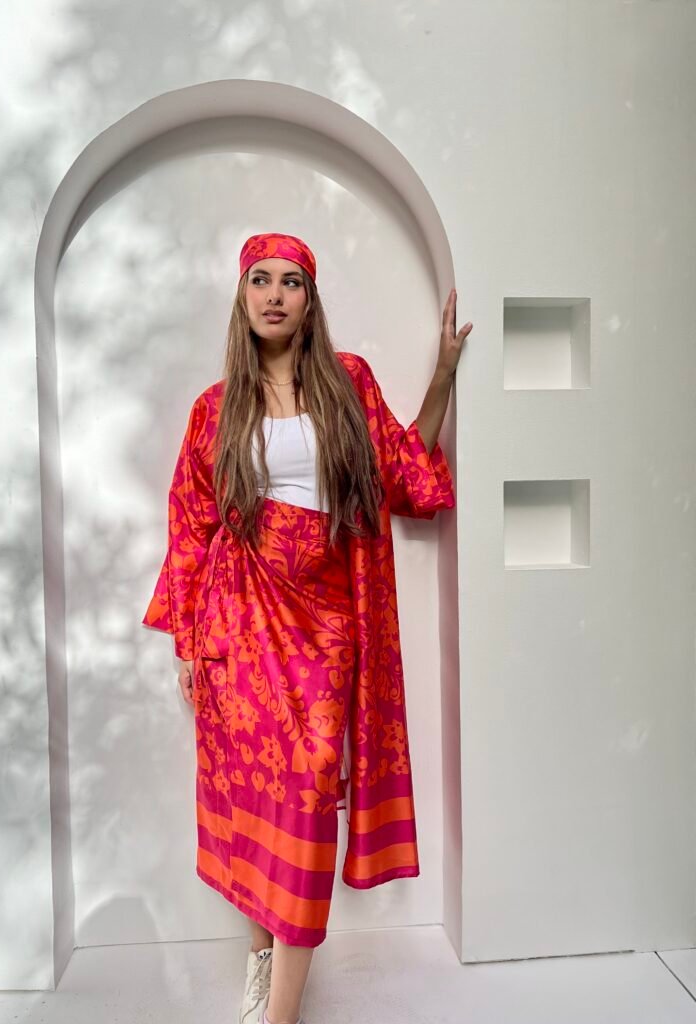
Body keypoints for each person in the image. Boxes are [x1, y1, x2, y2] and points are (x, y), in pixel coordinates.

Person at [141, 232, 471, 1024]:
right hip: (239, 626)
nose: (274, 295)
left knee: (308, 798)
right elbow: (190, 526)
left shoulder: (347, 383)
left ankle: (276, 1014)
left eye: (290, 282)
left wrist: (443, 376)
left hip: (325, 626)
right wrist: (189, 644)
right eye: (260, 280)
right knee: (261, 803)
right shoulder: (214, 408)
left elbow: (403, 471)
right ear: (242, 296)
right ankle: (268, 983)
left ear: (310, 300)